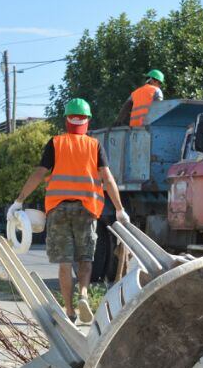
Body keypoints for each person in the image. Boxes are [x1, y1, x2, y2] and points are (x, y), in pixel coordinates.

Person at [10, 98, 130, 322]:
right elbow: (107, 178)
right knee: (85, 259)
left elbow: (38, 173)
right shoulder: (94, 145)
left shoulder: (55, 143)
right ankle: (83, 295)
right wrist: (120, 209)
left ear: (67, 119)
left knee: (65, 262)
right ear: (87, 120)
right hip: (86, 209)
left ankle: (70, 311)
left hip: (58, 209)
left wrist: (19, 200)